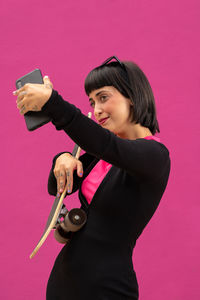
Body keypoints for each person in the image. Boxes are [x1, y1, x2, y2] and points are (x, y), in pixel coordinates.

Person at [14, 56, 171, 300]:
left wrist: (53, 104)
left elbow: (105, 143)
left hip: (107, 289)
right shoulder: (100, 157)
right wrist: (63, 158)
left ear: (132, 95)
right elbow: (56, 186)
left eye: (103, 97)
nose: (96, 110)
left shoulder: (154, 156)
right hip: (64, 287)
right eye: (91, 101)